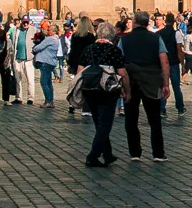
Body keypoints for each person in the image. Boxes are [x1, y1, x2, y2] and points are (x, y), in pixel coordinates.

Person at [119, 11, 169, 160]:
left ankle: (135, 153)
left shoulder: (125, 39)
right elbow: (164, 60)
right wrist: (166, 83)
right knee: (154, 119)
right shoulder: (156, 38)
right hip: (152, 80)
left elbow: (119, 61)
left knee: (131, 118)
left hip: (131, 81)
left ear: (134, 22)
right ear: (148, 23)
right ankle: (158, 153)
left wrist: (121, 84)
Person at [79, 20, 127, 166]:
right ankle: (92, 155)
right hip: (107, 90)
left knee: (99, 122)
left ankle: (107, 154)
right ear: (112, 36)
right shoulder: (114, 50)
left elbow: (80, 70)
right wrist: (126, 89)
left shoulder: (89, 49)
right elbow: (122, 73)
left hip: (90, 89)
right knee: (105, 124)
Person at [66, 17, 96, 119]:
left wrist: (70, 64)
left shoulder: (75, 36)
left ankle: (72, 104)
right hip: (87, 63)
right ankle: (86, 109)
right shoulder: (91, 37)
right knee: (86, 86)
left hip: (76, 63)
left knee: (76, 83)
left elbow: (73, 51)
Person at [159, 14, 186, 117]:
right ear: (174, 22)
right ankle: (180, 108)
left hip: (162, 64)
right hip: (174, 63)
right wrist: (183, 65)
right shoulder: (177, 34)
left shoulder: (159, 33)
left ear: (165, 21)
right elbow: (179, 51)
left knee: (163, 86)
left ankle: (162, 109)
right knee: (176, 87)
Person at [32, 20, 64, 106]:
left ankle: (48, 101)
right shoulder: (56, 39)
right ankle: (50, 100)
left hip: (45, 62)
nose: (47, 31)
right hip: (50, 62)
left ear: (53, 31)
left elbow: (38, 48)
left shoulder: (50, 39)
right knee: (49, 82)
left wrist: (35, 46)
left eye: (49, 30)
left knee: (44, 82)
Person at [12, 17, 33, 105]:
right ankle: (18, 97)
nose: (25, 24)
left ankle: (30, 98)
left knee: (30, 79)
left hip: (28, 59)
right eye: (24, 22)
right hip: (18, 58)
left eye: (26, 22)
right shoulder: (16, 30)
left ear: (29, 22)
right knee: (17, 79)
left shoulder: (34, 30)